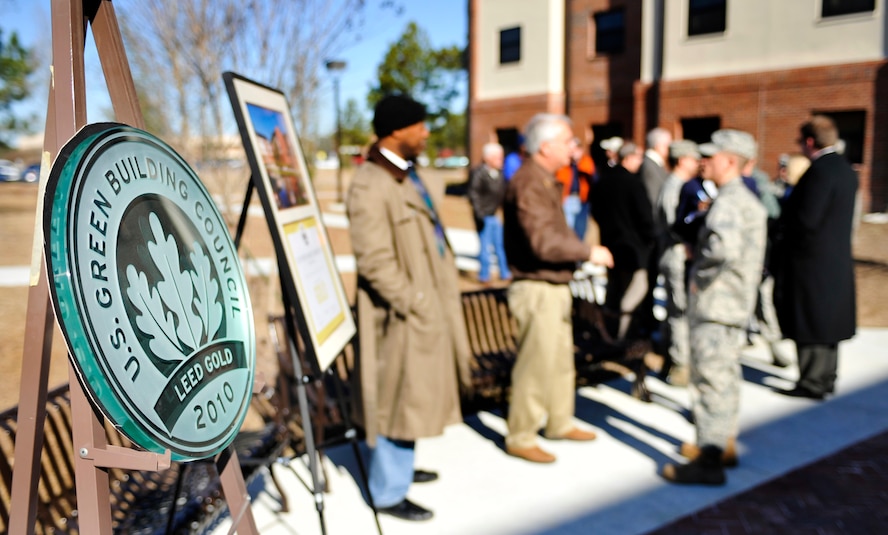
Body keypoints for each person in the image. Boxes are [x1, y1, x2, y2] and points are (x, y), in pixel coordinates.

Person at [346, 94, 472, 521]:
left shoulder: (405, 175)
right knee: (398, 397)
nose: (426, 132)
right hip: (399, 316)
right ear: (397, 129)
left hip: (421, 309)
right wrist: (413, 301)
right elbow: (374, 260)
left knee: (413, 395)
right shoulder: (371, 183)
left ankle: (400, 469)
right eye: (419, 125)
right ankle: (387, 491)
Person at [502, 113, 614, 464]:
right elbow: (543, 242)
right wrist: (587, 251)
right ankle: (521, 435)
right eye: (568, 141)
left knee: (560, 360)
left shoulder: (546, 179)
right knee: (536, 364)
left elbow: (556, 235)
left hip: (554, 285)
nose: (575, 148)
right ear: (546, 146)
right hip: (537, 288)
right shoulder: (528, 182)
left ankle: (559, 421)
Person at [662, 129, 767, 485]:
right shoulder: (744, 198)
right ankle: (723, 444)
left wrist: (698, 277)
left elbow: (721, 250)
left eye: (712, 156)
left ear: (730, 161)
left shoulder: (730, 201)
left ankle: (709, 460)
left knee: (710, 380)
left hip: (717, 305)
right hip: (733, 305)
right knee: (726, 377)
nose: (705, 162)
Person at [773, 115, 858, 400]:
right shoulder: (845, 169)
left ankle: (812, 382)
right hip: (835, 257)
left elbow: (806, 219)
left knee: (810, 320)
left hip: (811, 260)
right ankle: (827, 377)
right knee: (827, 321)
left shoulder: (819, 171)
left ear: (810, 141)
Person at [592, 141, 655, 342]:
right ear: (628, 158)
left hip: (610, 244)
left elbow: (595, 211)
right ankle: (623, 333)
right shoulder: (633, 183)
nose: (640, 162)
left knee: (614, 288)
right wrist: (648, 239)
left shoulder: (603, 181)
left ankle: (609, 330)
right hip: (634, 248)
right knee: (635, 290)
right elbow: (645, 216)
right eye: (637, 158)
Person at [656, 140, 701, 386]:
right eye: (694, 159)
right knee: (679, 311)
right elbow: (674, 223)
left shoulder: (679, 184)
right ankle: (679, 365)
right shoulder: (674, 185)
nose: (698, 164)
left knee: (676, 311)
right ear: (683, 160)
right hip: (675, 255)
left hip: (677, 254)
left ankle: (669, 358)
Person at [467, 142, 512, 284]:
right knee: (485, 247)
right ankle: (484, 275)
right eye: (498, 157)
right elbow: (473, 194)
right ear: (488, 158)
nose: (501, 160)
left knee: (500, 245)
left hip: (495, 215)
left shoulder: (498, 174)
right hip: (484, 216)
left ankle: (504, 272)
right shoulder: (479, 173)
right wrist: (480, 214)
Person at [555, 140, 595, 239]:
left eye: (575, 149)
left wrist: (577, 162)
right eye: (570, 149)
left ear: (580, 150)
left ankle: (578, 251)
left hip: (583, 199)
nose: (572, 152)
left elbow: (591, 176)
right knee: (568, 228)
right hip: (567, 199)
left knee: (581, 229)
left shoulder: (586, 161)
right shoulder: (564, 164)